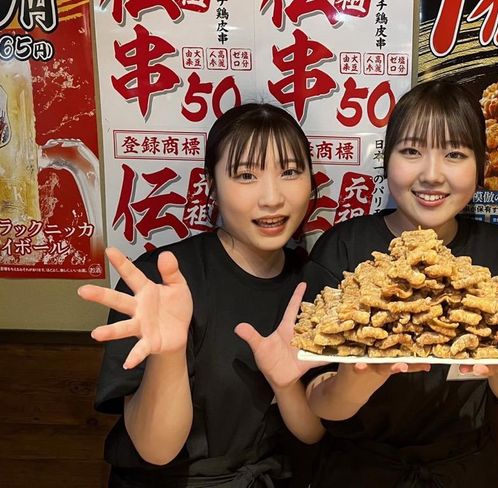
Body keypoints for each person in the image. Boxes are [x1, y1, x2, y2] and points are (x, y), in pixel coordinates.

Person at [303, 80, 498, 487]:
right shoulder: (344, 250)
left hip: (466, 470)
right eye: (411, 151)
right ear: (387, 159)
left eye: (455, 154)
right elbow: (318, 401)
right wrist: (356, 382)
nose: (432, 175)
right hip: (359, 471)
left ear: (481, 165)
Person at [78, 103, 325, 487]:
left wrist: (286, 385)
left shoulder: (314, 285)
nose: (272, 198)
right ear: (211, 185)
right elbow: (155, 450)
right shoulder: (160, 281)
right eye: (246, 175)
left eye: (290, 171)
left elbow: (312, 432)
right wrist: (170, 355)